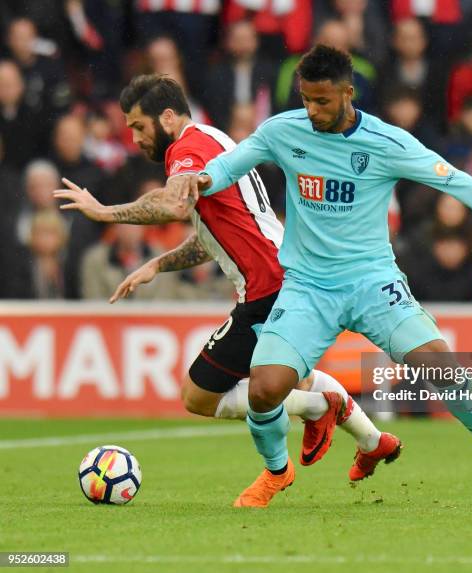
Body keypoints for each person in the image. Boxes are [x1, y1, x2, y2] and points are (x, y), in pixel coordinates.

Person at [187, 44, 472, 508]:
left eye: (322, 101)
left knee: (443, 368)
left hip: (373, 283)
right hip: (308, 288)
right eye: (306, 99)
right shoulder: (282, 131)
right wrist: (197, 181)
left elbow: (455, 180)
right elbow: (227, 168)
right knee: (264, 388)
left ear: (348, 93)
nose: (312, 110)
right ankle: (277, 472)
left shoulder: (386, 143)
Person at [53, 74, 398, 485]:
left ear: (167, 116)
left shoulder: (188, 148)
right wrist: (159, 264)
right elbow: (212, 237)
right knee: (295, 380)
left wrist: (104, 211)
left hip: (269, 286)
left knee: (199, 396)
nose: (135, 139)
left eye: (139, 127)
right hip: (290, 274)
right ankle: (373, 441)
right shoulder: (212, 141)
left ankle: (318, 413)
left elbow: (173, 203)